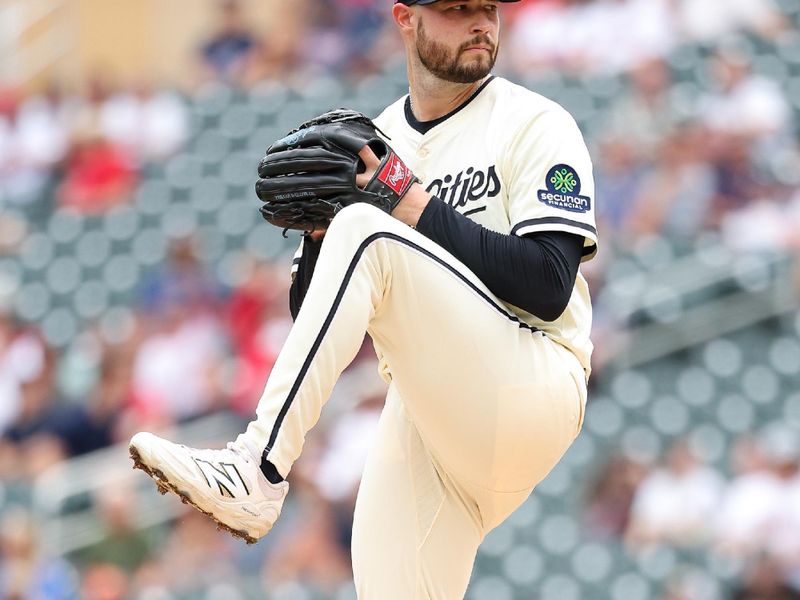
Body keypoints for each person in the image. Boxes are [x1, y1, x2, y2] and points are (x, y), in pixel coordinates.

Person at [130, 0, 597, 597]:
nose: (481, 22)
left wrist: (407, 205)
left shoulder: (535, 122)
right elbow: (314, 314)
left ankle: (258, 466)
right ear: (407, 18)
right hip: (433, 421)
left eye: (488, 8)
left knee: (366, 227)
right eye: (458, 9)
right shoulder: (376, 142)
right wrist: (319, 238)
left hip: (533, 383)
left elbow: (550, 287)